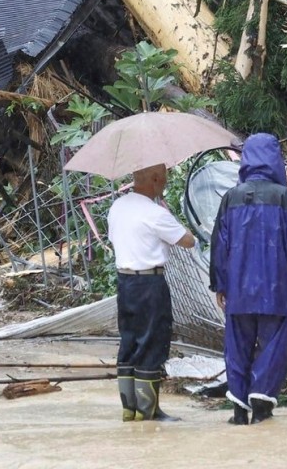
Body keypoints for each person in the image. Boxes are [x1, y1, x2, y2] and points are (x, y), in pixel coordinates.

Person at [209, 132, 287, 425]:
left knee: (237, 347)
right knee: (275, 344)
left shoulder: (231, 198)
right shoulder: (285, 198)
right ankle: (261, 398)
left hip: (238, 290)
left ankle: (239, 411)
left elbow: (219, 244)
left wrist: (219, 283)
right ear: (275, 160)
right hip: (277, 288)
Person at [106, 163, 194, 422]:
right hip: (149, 284)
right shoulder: (155, 213)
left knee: (130, 339)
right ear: (155, 180)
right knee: (152, 340)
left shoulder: (117, 207)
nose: (165, 184)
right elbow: (187, 241)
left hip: (125, 282)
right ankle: (149, 410)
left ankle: (129, 408)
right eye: (164, 179)